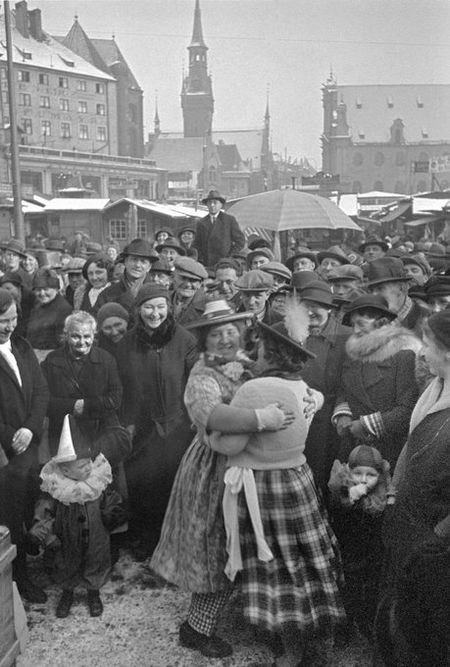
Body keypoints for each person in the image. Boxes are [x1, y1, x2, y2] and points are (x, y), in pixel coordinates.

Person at [150, 300, 293, 659]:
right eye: (216, 334)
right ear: (205, 341)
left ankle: (259, 619)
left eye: (231, 330)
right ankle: (196, 630)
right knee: (215, 547)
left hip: (251, 469)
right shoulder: (201, 377)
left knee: (253, 545)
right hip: (213, 471)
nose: (226, 338)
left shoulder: (248, 365)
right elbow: (212, 416)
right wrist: (261, 418)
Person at [209, 316, 344, 665]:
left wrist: (212, 433)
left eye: (261, 347)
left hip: (263, 486)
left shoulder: (253, 391)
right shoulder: (305, 388)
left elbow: (229, 445)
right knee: (304, 561)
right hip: (297, 478)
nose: (255, 351)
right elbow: (311, 404)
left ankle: (288, 646)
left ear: (273, 353)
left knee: (275, 566)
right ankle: (317, 637)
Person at [378, 309, 450, 667]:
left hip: (435, 547)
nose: (421, 353)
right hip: (409, 529)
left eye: (429, 344)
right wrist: (392, 492)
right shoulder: (433, 388)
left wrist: (439, 534)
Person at [116, 283, 199, 556]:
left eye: (160, 307)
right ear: (138, 310)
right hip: (142, 427)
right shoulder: (127, 343)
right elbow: (122, 388)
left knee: (173, 483)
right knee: (142, 484)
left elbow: (194, 383)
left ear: (169, 308)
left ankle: (173, 542)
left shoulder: (184, 339)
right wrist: (127, 422)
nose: (155, 313)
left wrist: (192, 419)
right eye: (149, 307)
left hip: (177, 426)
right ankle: (146, 538)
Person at [28, 414, 126, 618]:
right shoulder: (56, 488)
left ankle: (93, 593)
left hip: (96, 538)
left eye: (89, 463)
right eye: (82, 466)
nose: (89, 468)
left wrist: (112, 514)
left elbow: (111, 499)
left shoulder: (96, 481)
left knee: (95, 562)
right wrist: (47, 535)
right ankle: (67, 593)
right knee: (66, 564)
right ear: (65, 470)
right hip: (66, 539)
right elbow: (43, 513)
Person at [332, 294, 421, 470]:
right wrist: (343, 414)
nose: (355, 331)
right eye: (353, 324)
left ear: (381, 324)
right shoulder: (354, 355)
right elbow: (343, 391)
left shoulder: (403, 357)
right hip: (352, 447)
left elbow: (407, 409)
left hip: (387, 448)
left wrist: (365, 425)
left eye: (361, 324)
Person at [0, 288, 49, 603]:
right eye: (3, 320)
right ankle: (20, 577)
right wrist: (11, 436)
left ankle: (32, 557)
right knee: (10, 515)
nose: (9, 326)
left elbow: (41, 391)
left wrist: (30, 428)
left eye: (14, 318)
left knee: (33, 506)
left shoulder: (22, 346)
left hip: (30, 445)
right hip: (5, 454)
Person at [328, 445, 392, 639]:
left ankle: (368, 623)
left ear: (380, 475)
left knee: (372, 590)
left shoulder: (384, 497)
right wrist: (350, 495)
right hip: (350, 553)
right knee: (349, 590)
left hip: (373, 554)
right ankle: (344, 627)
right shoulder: (343, 493)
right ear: (349, 471)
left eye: (370, 475)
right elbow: (336, 507)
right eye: (358, 473)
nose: (363, 479)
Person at [41, 312, 123, 459]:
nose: (82, 342)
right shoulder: (52, 361)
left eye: (87, 336)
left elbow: (115, 398)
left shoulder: (106, 360)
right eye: (76, 336)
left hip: (98, 434)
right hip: (62, 435)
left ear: (94, 336)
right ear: (66, 335)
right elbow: (43, 399)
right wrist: (72, 406)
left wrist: (86, 405)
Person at [96, 238, 159, 313]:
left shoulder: (157, 293)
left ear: (149, 267)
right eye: (134, 259)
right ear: (125, 262)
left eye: (143, 261)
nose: (138, 265)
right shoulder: (108, 294)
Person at [367, 257, 428, 333]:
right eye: (371, 290)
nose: (374, 294)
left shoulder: (426, 318)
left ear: (401, 287)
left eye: (380, 289)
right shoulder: (369, 319)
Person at [27, 268, 73, 358]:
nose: (42, 293)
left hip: (51, 358)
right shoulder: (37, 304)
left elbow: (62, 344)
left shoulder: (64, 309)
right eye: (38, 290)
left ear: (56, 289)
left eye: (46, 289)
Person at [194, 190, 245, 267]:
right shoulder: (201, 222)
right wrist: (201, 258)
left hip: (225, 263)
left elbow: (240, 241)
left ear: (221, 205)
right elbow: (197, 243)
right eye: (209, 203)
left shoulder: (229, 220)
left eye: (215, 202)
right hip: (207, 263)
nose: (212, 205)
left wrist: (230, 257)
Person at [170, 257, 208, 326]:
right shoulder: (162, 299)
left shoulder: (207, 307)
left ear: (200, 284)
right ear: (172, 277)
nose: (187, 284)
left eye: (193, 280)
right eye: (183, 278)